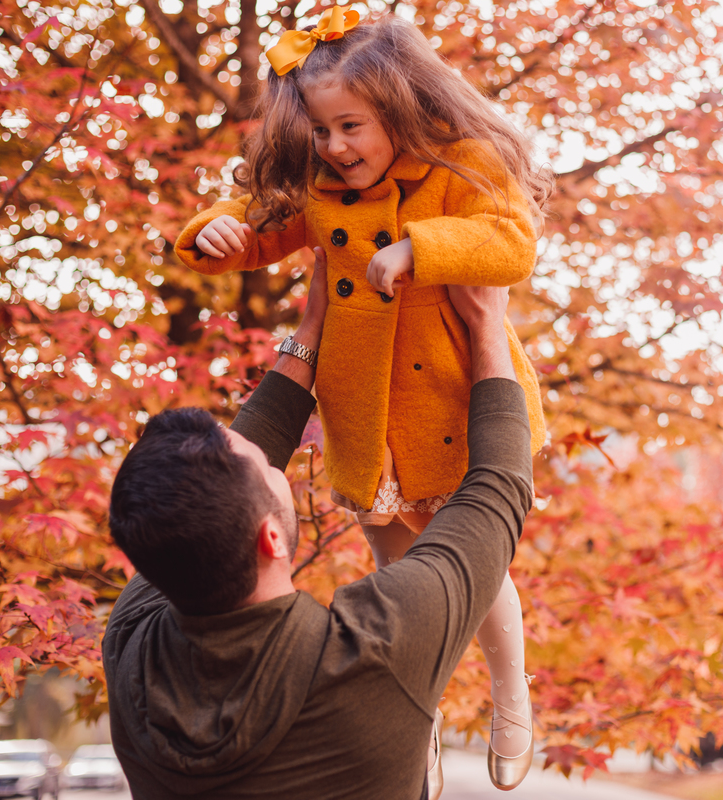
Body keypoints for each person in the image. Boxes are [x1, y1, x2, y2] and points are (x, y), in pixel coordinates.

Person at [172, 9, 551, 790]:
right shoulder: (321, 187)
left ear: (400, 108)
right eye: (320, 131)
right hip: (364, 410)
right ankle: (418, 717)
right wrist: (217, 232)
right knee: (394, 569)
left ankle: (512, 693)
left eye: (352, 126)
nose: (336, 147)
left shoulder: (459, 163)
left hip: (451, 400)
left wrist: (425, 247)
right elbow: (259, 222)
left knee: (476, 565)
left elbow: (513, 242)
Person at [104, 248, 534, 799]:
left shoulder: (132, 645)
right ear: (271, 536)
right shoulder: (373, 652)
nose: (272, 457)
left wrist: (313, 324)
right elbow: (496, 490)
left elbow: (243, 453)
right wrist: (486, 326)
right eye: (265, 467)